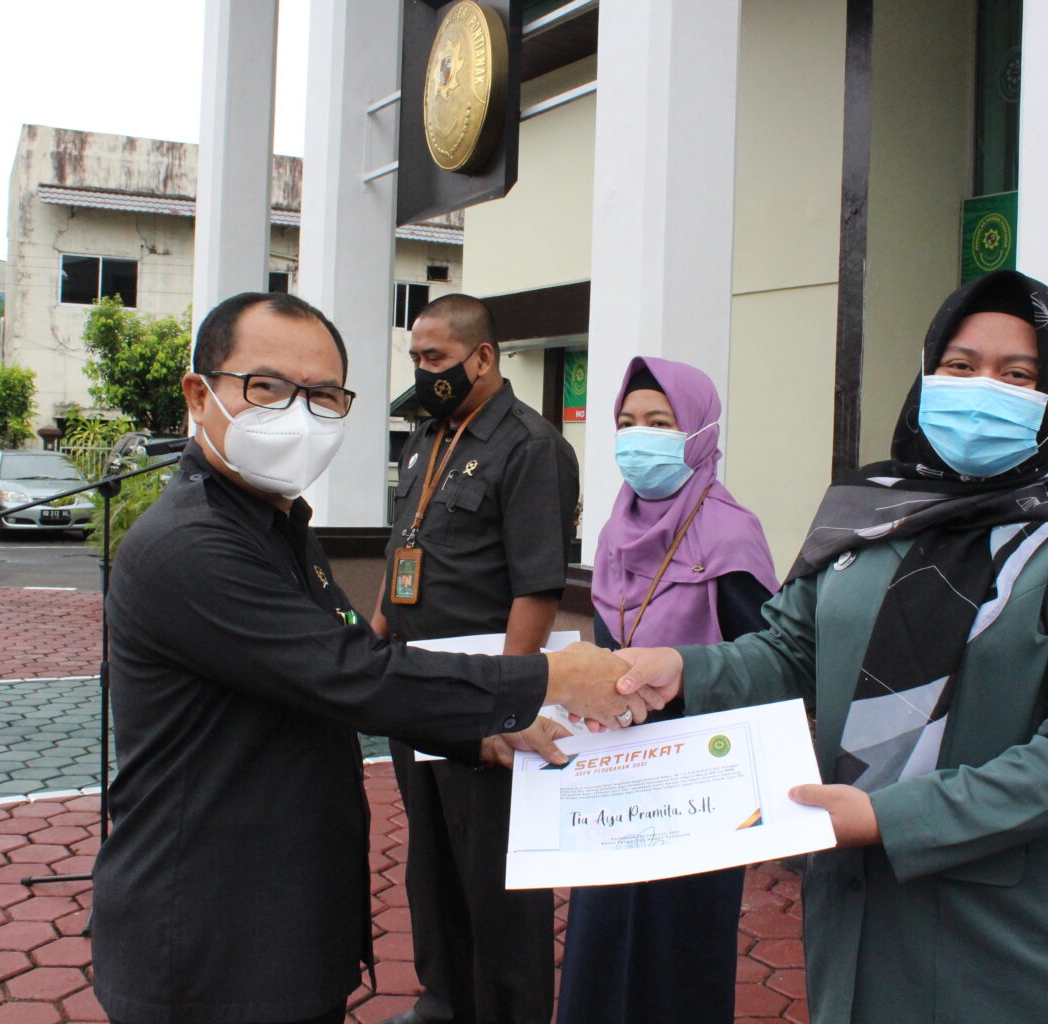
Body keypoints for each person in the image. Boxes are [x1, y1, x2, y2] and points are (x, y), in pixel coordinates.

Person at [611, 270, 1048, 1024]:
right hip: (855, 902)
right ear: (926, 374)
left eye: (1017, 375)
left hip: (1003, 935)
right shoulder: (871, 511)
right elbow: (790, 653)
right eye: (960, 365)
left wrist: (889, 820)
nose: (982, 388)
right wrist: (680, 669)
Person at [90, 291, 643, 1024]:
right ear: (199, 394)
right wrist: (548, 679)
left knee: (493, 889)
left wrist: (485, 731)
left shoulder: (277, 525)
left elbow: (350, 652)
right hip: (210, 945)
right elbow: (351, 672)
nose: (298, 415)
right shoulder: (192, 546)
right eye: (267, 387)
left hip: (277, 919)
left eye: (323, 395)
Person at [369, 293, 578, 1024]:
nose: (423, 372)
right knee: (432, 863)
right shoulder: (426, 437)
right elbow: (403, 552)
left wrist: (503, 705)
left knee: (497, 878)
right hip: (415, 686)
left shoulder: (531, 446)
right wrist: (374, 641)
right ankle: (445, 1003)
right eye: (416, 358)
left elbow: (537, 587)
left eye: (436, 358)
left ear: (482, 357)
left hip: (482, 697)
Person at [556, 356, 780, 1024]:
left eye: (660, 423)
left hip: (698, 778)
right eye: (627, 423)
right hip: (617, 772)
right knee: (601, 934)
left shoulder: (730, 533)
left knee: (677, 949)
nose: (639, 438)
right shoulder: (616, 531)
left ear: (700, 434)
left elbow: (767, 662)